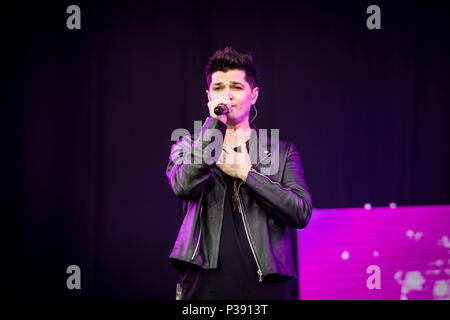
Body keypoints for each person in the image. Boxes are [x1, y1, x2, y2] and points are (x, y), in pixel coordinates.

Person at [166, 47, 312, 300]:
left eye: (236, 87)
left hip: (265, 283)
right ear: (209, 96)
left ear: (253, 95)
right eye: (219, 88)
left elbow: (300, 212)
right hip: (204, 282)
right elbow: (184, 185)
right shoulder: (188, 145)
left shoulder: (280, 150)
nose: (227, 96)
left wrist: (246, 173)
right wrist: (214, 123)